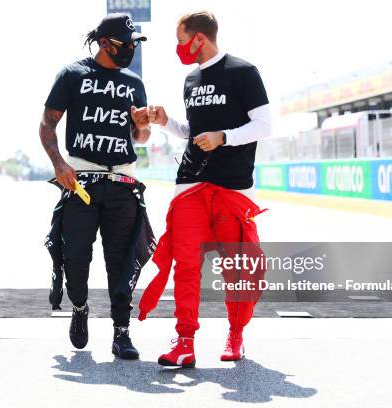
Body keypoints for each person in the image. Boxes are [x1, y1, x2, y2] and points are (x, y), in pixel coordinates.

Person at [138, 10, 272, 367]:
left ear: (199, 38)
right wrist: (166, 122)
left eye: (181, 40)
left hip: (233, 187)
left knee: (238, 266)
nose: (179, 48)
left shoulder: (243, 72)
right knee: (185, 265)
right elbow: (191, 132)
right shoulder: (190, 79)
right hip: (191, 185)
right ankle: (184, 341)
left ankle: (236, 334)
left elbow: (264, 125)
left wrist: (224, 138)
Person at [39, 12, 153, 360]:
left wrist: (142, 128)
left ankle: (122, 331)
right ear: (104, 43)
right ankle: (79, 307)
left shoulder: (135, 82)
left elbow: (141, 137)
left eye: (135, 43)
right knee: (76, 256)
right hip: (82, 182)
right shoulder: (72, 74)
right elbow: (47, 125)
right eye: (126, 44)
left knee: (120, 259)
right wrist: (59, 163)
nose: (131, 48)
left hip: (122, 181)